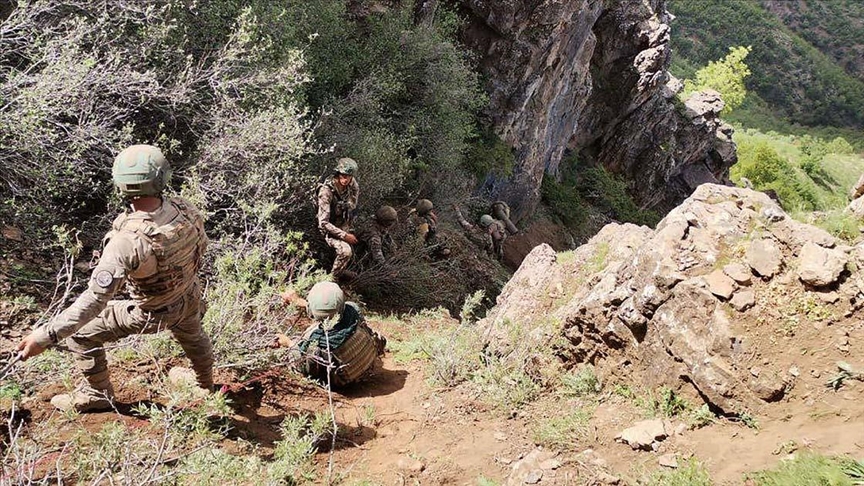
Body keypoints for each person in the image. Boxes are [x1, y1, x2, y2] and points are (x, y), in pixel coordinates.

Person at [15, 145, 214, 412]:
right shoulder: (184, 210)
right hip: (190, 295)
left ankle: (97, 394)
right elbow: (200, 248)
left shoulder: (127, 241)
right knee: (193, 335)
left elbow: (94, 301)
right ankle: (205, 385)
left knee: (81, 335)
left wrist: (45, 336)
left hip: (154, 312)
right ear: (162, 178)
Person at [290, 282, 385, 387]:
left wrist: (289, 343)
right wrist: (299, 301)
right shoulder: (353, 311)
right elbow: (330, 312)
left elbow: (306, 367)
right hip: (366, 361)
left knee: (296, 349)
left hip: (344, 382)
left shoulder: (317, 342)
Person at [317, 158, 360, 281]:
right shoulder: (326, 192)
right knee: (346, 251)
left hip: (342, 222)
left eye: (348, 176)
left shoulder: (352, 183)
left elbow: (354, 201)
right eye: (343, 175)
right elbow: (323, 223)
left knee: (359, 239)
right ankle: (332, 279)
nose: (345, 179)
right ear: (338, 173)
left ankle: (341, 269)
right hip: (328, 229)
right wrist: (344, 235)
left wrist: (348, 205)